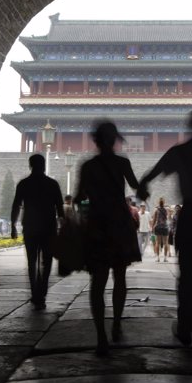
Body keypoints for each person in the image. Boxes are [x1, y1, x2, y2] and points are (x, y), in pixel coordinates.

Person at [138, 109, 192, 370]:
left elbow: (148, 177)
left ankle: (186, 327)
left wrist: (142, 189)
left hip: (191, 217)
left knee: (186, 275)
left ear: (191, 126)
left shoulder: (179, 153)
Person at [75, 121, 141, 355]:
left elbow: (79, 196)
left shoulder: (89, 166)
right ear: (114, 140)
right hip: (120, 223)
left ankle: (101, 337)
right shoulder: (122, 163)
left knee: (98, 281)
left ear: (96, 141)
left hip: (97, 224)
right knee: (120, 276)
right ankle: (116, 323)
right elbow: (137, 188)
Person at [11, 154, 64, 310]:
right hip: (49, 227)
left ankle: (36, 293)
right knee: (46, 262)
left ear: (30, 165)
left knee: (32, 261)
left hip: (31, 227)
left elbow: (16, 205)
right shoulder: (52, 184)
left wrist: (13, 225)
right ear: (44, 166)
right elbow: (60, 208)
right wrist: (64, 227)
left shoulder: (24, 184)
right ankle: (42, 291)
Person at [151, 197, 170, 262]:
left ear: (158, 203)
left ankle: (158, 258)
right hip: (165, 227)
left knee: (157, 243)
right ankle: (165, 258)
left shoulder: (156, 210)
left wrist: (152, 227)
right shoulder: (166, 209)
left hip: (158, 227)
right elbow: (169, 218)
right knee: (166, 243)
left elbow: (154, 220)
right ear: (164, 202)